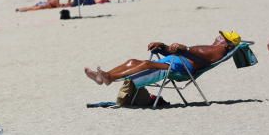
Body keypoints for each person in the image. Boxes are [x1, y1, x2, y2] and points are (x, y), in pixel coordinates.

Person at [85, 32, 243, 86]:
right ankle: (103, 76)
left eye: (223, 37)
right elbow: (186, 52)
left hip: (182, 70)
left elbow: (201, 60)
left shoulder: (218, 51)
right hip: (174, 61)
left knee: (147, 64)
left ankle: (110, 77)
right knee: (133, 61)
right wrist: (163, 46)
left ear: (228, 44)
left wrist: (185, 49)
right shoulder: (213, 47)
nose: (219, 37)